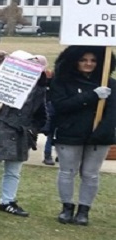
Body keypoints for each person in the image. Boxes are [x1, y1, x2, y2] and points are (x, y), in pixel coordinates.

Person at [0, 51, 47, 217]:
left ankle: (8, 201)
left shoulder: (38, 90)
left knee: (13, 172)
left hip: (20, 136)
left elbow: (41, 116)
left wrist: (32, 131)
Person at [49, 46, 116, 226]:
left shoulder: (109, 83)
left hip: (98, 137)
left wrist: (103, 132)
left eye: (93, 60)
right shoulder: (62, 82)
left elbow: (112, 113)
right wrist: (92, 96)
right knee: (67, 172)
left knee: (90, 174)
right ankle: (67, 208)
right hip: (69, 133)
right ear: (75, 61)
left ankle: (84, 210)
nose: (88, 64)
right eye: (83, 60)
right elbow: (62, 106)